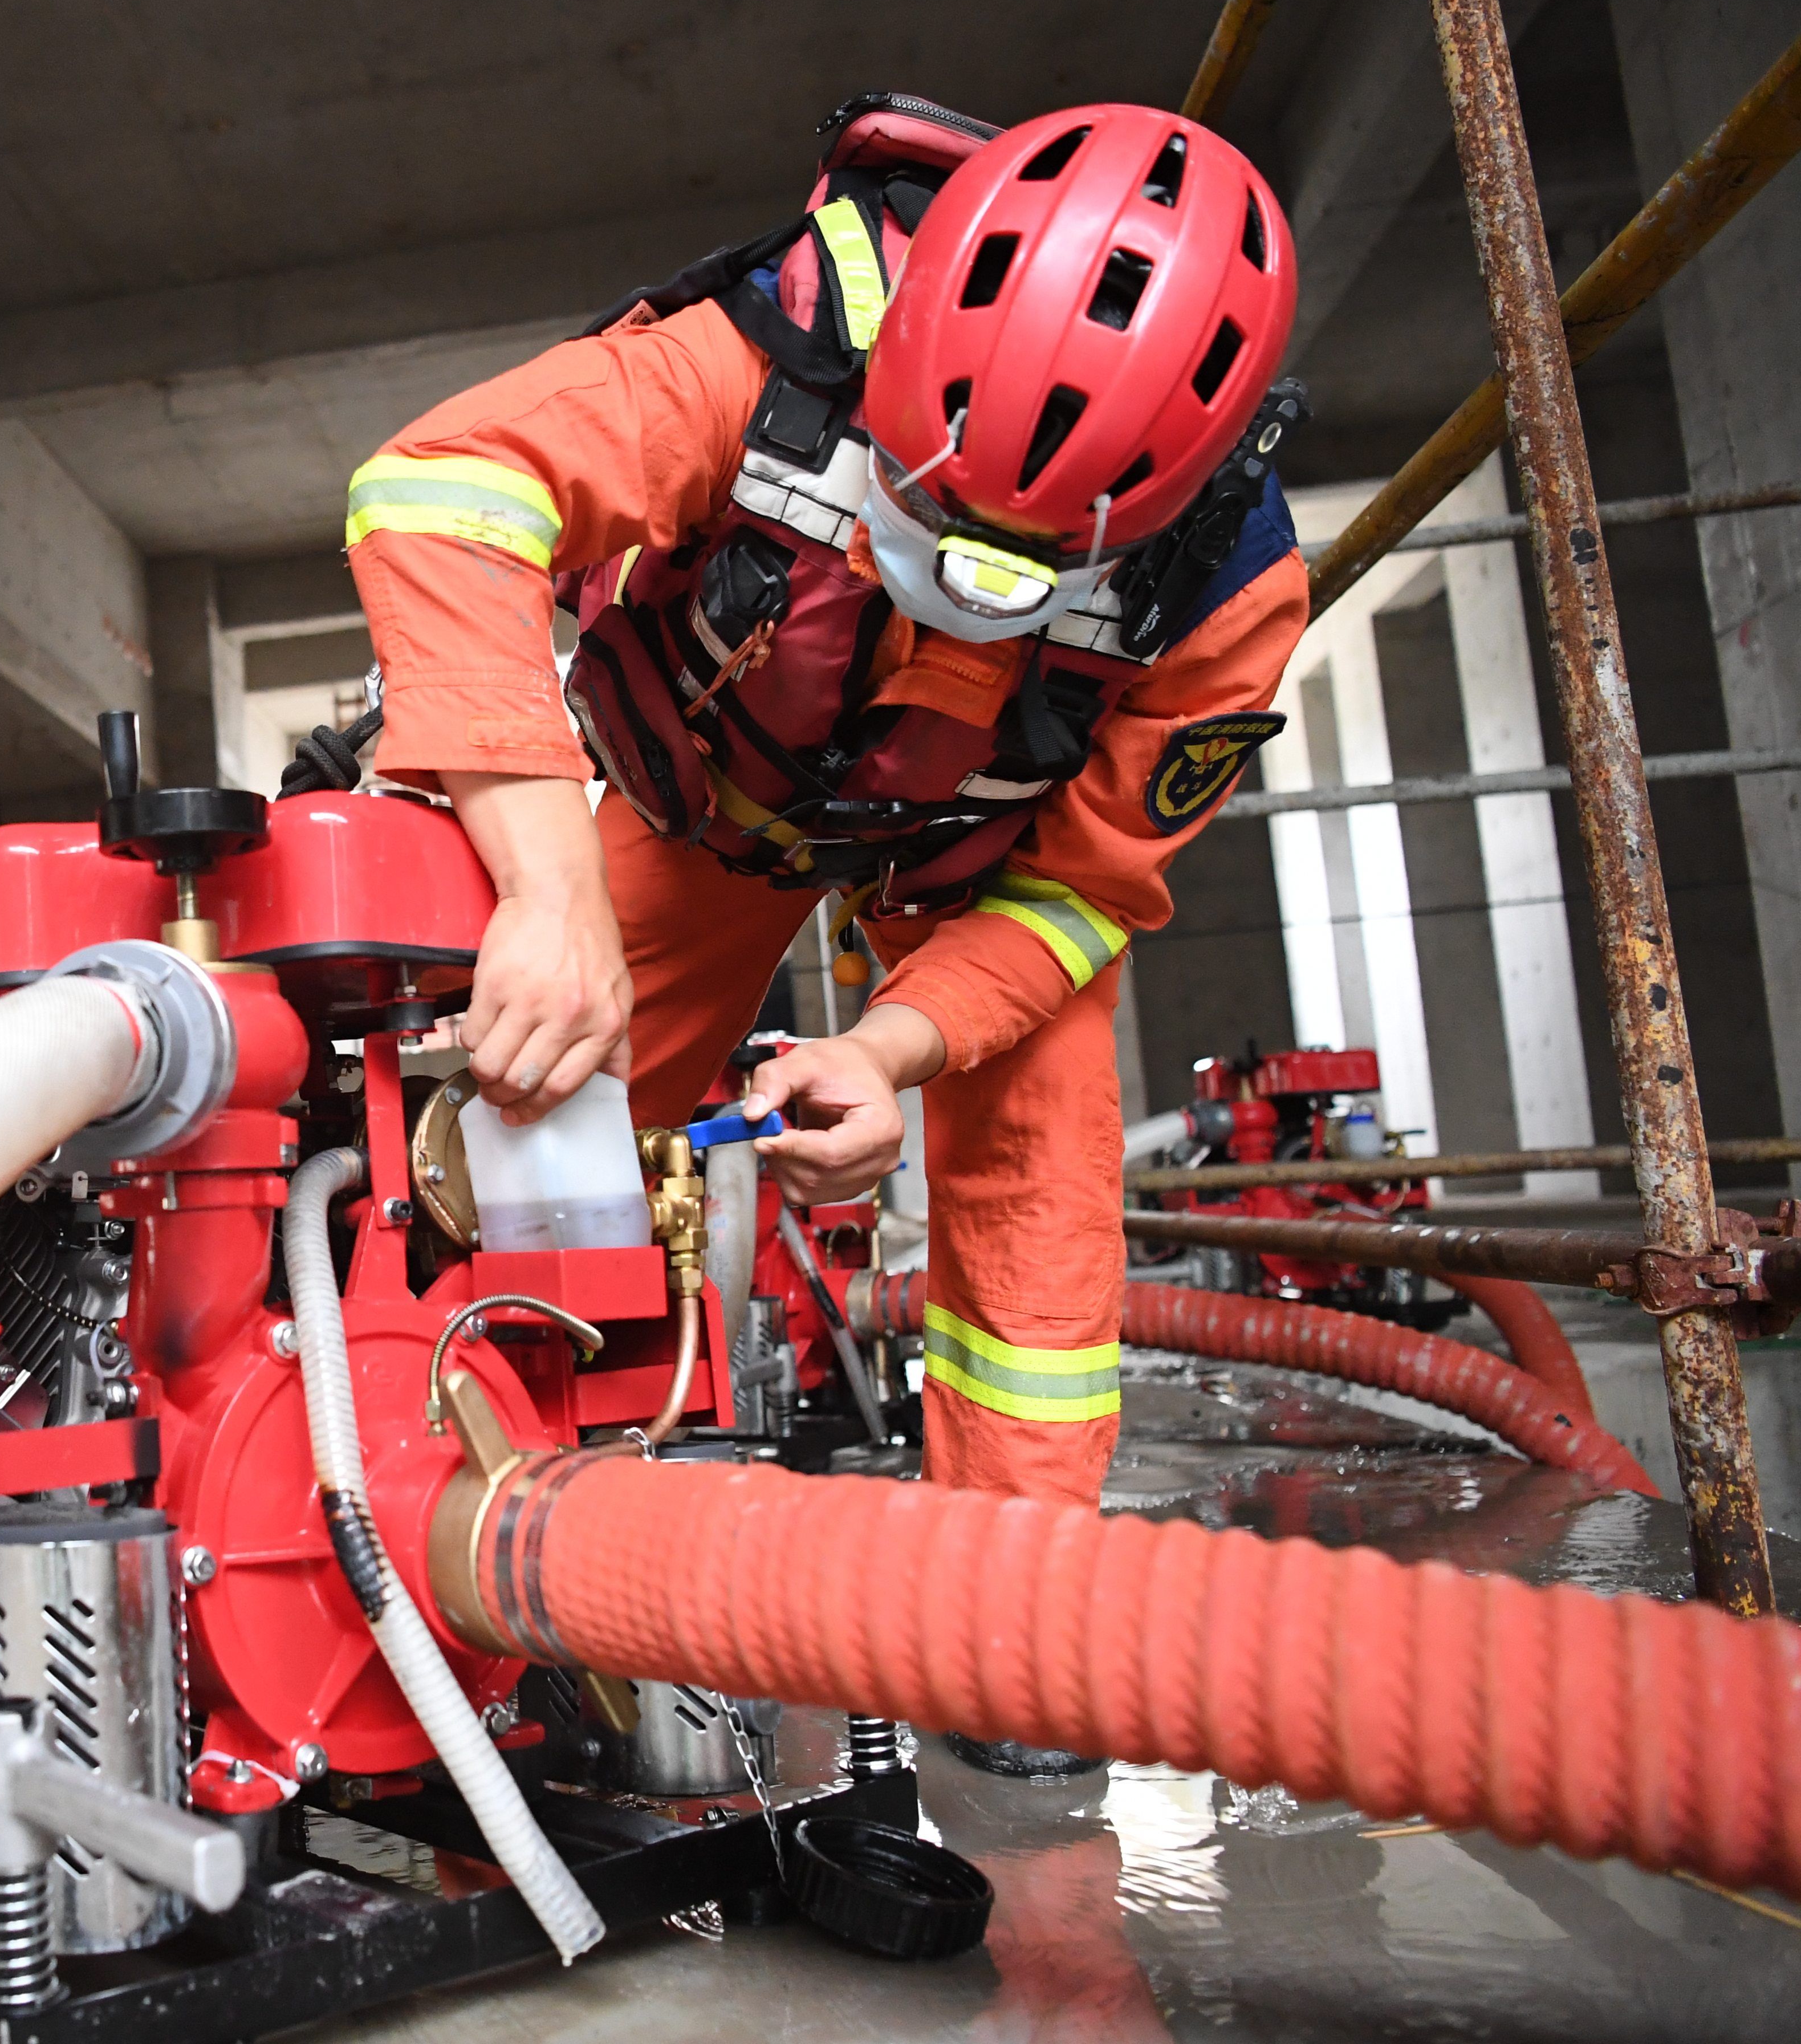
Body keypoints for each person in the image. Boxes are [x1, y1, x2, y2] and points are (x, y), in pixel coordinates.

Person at [344, 100, 1307, 1774]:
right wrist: (551, 887)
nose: (943, 582)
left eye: (1002, 580)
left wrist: (883, 1050)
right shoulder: (779, 339)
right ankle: (470, 1544)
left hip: (966, 864)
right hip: (701, 797)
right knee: (512, 1104)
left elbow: (1080, 893)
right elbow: (435, 488)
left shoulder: (1223, 589)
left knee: (1042, 1151)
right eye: (918, 523)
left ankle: (1017, 1626)